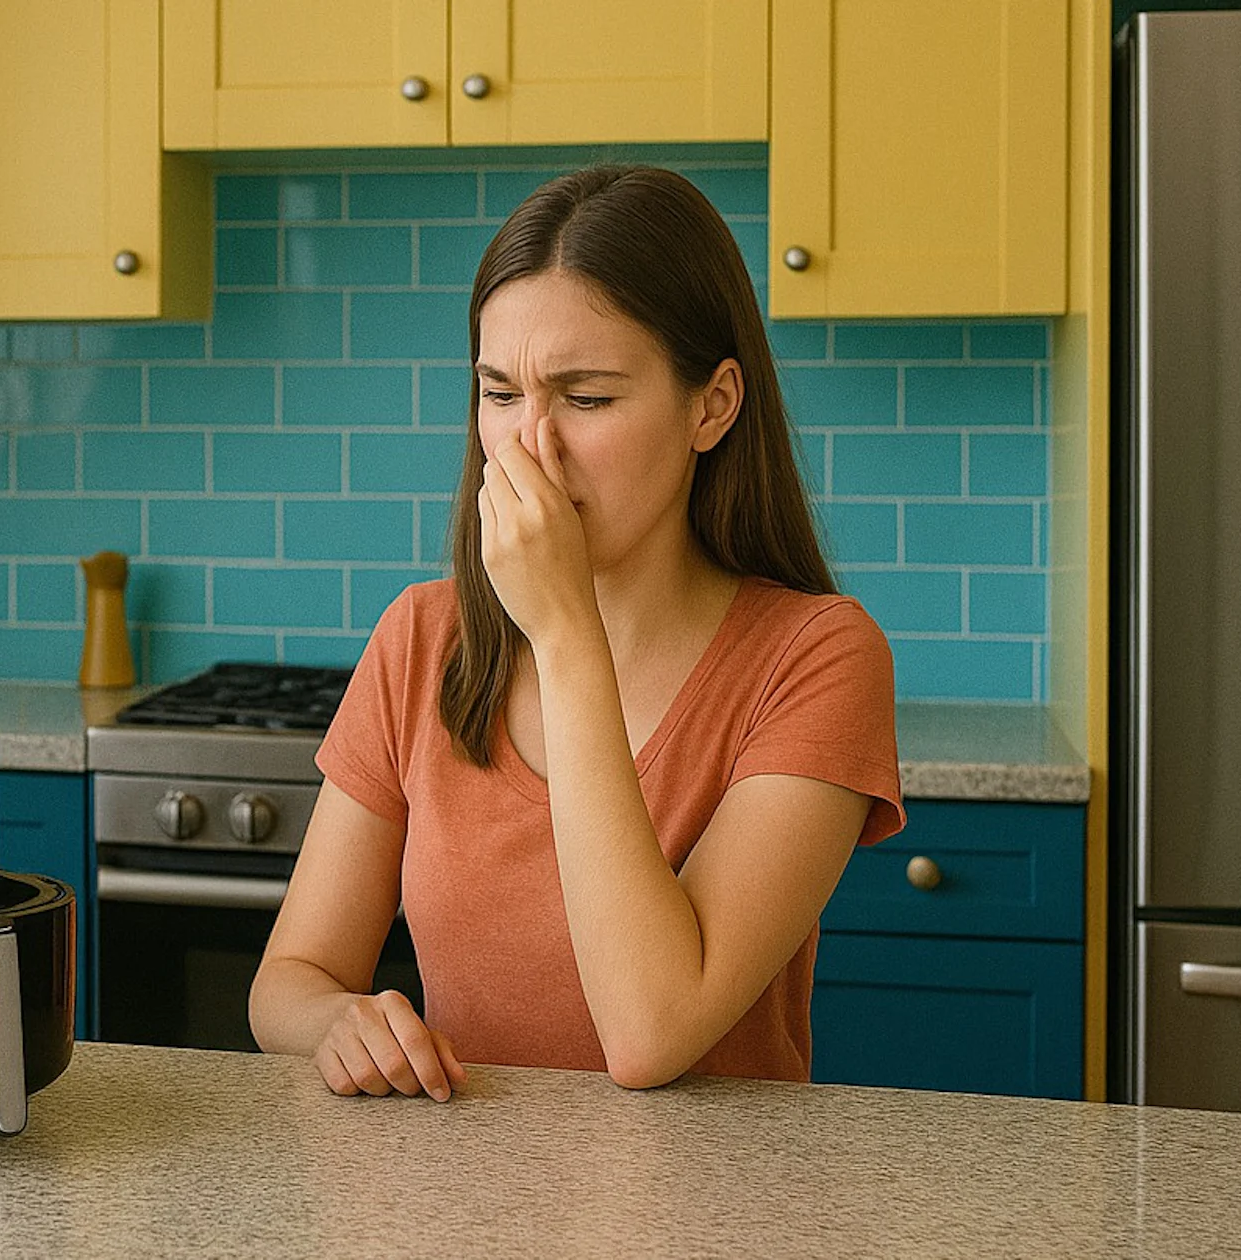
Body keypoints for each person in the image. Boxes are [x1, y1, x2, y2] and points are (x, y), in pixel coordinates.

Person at [248, 165, 906, 1097]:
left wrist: (564, 638)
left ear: (711, 405)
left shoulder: (817, 659)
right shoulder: (419, 639)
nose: (528, 446)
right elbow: (288, 983)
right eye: (500, 393)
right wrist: (339, 1022)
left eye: (586, 397)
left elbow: (650, 1034)